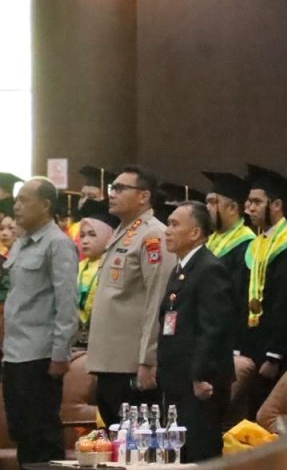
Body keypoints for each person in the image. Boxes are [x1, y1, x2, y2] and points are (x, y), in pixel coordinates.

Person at [87, 165, 175, 427]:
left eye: (120, 188)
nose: (112, 194)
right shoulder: (122, 231)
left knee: (136, 441)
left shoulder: (153, 235)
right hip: (109, 361)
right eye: (112, 188)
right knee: (115, 438)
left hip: (131, 363)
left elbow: (157, 301)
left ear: (144, 196)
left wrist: (148, 360)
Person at [2, 177, 78, 466]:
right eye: (16, 201)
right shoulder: (21, 243)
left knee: (41, 434)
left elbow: (66, 303)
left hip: (40, 356)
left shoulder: (58, 244)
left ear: (45, 205)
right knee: (22, 432)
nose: (16, 206)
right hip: (15, 353)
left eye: (23, 200)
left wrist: (60, 354)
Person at [158, 202, 236, 462]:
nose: (167, 230)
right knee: (177, 455)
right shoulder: (181, 268)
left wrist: (201, 375)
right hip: (177, 378)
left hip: (200, 383)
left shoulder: (209, 268)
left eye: (174, 224)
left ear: (195, 233)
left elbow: (213, 328)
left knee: (199, 453)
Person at [241, 164, 287, 415]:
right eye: (248, 201)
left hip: (278, 352)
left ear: (277, 205)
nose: (249, 208)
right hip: (253, 346)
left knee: (270, 417)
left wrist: (274, 355)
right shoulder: (259, 242)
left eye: (256, 202)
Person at [202, 170, 257, 351]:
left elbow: (241, 301)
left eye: (213, 202)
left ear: (232, 208)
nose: (207, 208)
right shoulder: (209, 241)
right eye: (207, 202)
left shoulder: (247, 246)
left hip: (228, 341)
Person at [75, 209, 119, 348]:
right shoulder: (78, 267)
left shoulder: (113, 267)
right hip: (76, 335)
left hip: (104, 336)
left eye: (92, 235)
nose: (85, 241)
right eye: (82, 235)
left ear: (108, 236)